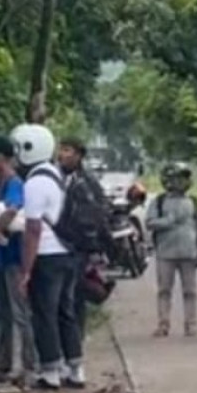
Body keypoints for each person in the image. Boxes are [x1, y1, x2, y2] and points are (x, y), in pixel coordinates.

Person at [15, 123, 84, 390]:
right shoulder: (56, 175)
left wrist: (26, 270)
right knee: (66, 312)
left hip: (47, 255)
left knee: (45, 313)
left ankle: (50, 371)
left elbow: (33, 230)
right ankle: (75, 368)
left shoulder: (35, 183)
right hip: (68, 253)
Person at [0, 136, 37, 386]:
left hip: (15, 256)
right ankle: (2, 364)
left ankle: (29, 366)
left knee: (20, 313)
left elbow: (12, 211)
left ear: (1, 158)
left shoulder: (14, 183)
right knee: (2, 312)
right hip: (1, 257)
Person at [54, 136, 112, 340]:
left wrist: (96, 247)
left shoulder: (86, 182)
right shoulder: (55, 178)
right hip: (57, 245)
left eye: (67, 150)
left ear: (79, 155)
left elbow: (97, 215)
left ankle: (76, 338)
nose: (62, 155)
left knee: (75, 295)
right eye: (61, 149)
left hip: (78, 247)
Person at [147, 163, 197, 337]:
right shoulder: (160, 201)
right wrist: (168, 221)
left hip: (188, 252)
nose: (182, 182)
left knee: (190, 291)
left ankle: (191, 324)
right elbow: (150, 223)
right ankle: (163, 323)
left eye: (184, 178)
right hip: (166, 253)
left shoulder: (192, 201)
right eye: (178, 178)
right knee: (164, 290)